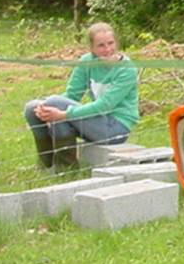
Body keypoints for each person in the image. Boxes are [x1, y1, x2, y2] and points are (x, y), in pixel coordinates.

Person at [24, 22, 139, 173]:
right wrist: (46, 109)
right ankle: (50, 166)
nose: (108, 49)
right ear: (92, 48)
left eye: (111, 43)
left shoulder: (127, 69)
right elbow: (71, 95)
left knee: (57, 107)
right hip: (96, 121)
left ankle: (66, 168)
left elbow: (105, 106)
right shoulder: (86, 61)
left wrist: (64, 113)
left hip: (116, 128)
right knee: (31, 108)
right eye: (101, 45)